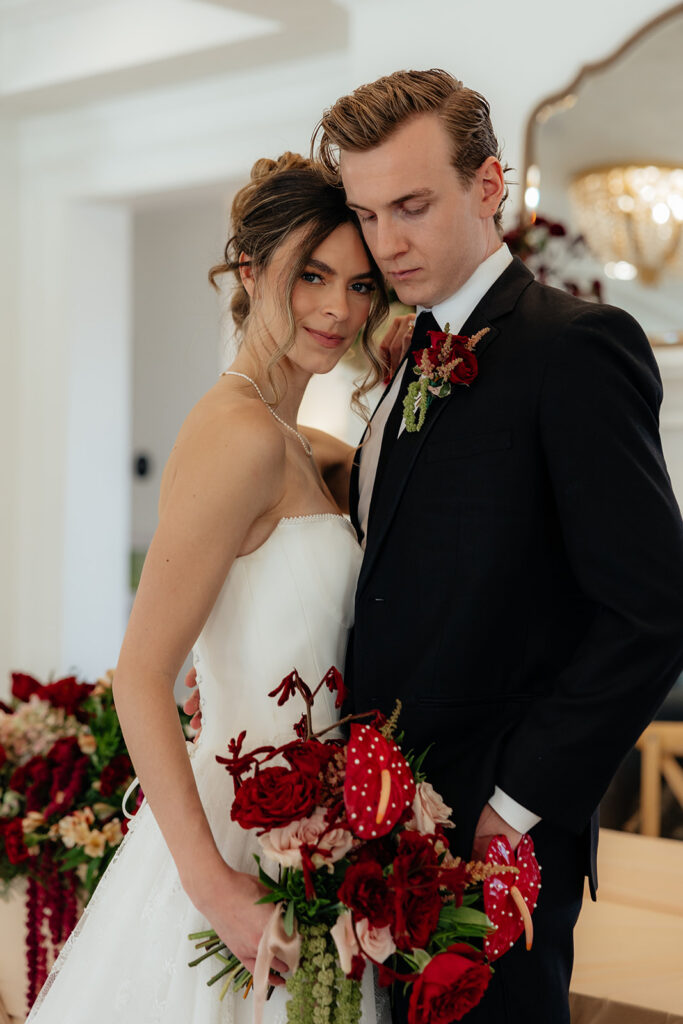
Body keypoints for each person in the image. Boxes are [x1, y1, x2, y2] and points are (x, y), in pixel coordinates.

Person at [307, 69, 683, 1024]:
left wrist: (511, 806)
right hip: (377, 824)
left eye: (411, 206)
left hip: (492, 835)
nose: (386, 243)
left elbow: (651, 612)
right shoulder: (406, 354)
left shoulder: (576, 346)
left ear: (488, 185)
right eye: (366, 215)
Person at [26, 153, 409, 1024]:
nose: (337, 309)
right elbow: (139, 676)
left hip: (315, 839)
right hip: (236, 847)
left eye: (360, 285)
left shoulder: (302, 443)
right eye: (311, 274)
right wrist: (215, 889)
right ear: (249, 269)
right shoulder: (239, 434)